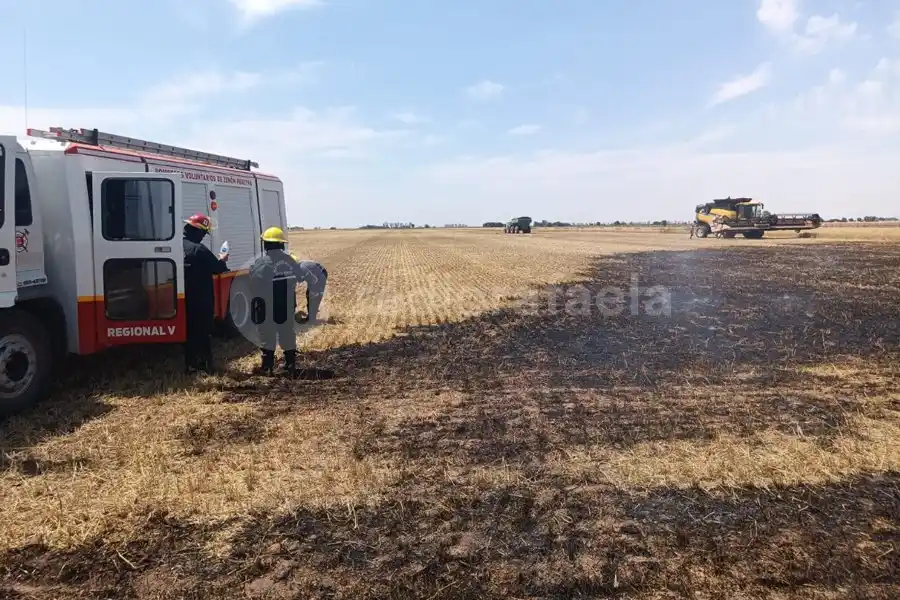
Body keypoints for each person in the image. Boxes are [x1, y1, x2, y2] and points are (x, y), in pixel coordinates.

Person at [248, 227, 323, 375]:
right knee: (287, 333)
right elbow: (301, 277)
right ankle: (290, 365)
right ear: (281, 244)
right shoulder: (290, 261)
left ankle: (267, 367)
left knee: (267, 334)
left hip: (268, 307)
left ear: (266, 244)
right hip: (287, 306)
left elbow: (253, 283)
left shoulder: (261, 263)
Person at [182, 213, 229, 373]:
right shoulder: (199, 249)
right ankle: (204, 365)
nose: (203, 237)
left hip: (182, 298)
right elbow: (218, 268)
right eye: (203, 233)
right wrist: (223, 259)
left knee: (188, 332)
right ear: (197, 231)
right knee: (202, 332)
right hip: (201, 299)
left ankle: (190, 365)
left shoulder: (176, 247)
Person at [289, 254, 328, 323]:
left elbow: (314, 281)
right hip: (314, 274)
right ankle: (311, 316)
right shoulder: (296, 268)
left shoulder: (302, 268)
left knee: (313, 296)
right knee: (310, 295)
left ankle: (312, 319)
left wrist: (314, 293)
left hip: (320, 274)